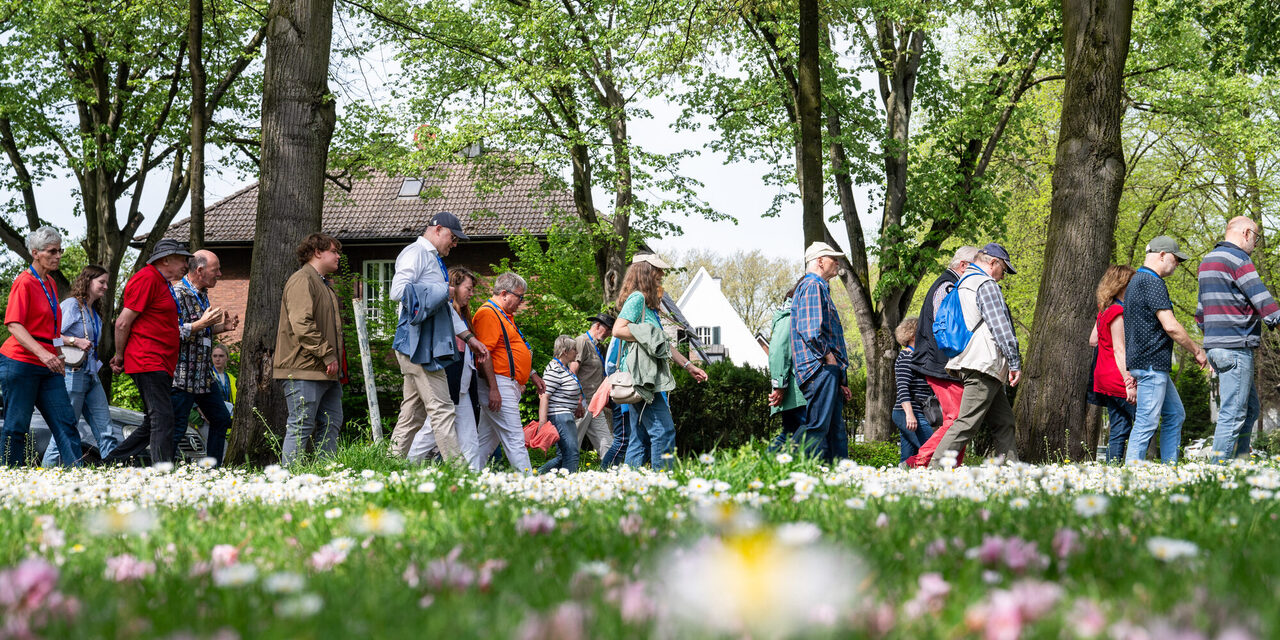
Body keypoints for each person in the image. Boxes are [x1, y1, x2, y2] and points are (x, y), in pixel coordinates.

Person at [389, 213, 489, 464]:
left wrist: (468, 338)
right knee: (443, 408)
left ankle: (387, 465)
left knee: (412, 414)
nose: (454, 245)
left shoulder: (431, 259)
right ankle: (458, 475)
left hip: (419, 343)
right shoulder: (415, 253)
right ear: (437, 229)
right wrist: (444, 289)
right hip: (419, 344)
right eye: (452, 238)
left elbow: (442, 308)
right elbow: (398, 291)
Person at [929, 243, 1022, 468]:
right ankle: (934, 470)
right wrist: (1014, 361)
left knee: (1004, 422)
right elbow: (1000, 326)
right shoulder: (985, 283)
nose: (1003, 276)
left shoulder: (962, 283)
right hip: (984, 363)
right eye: (1004, 269)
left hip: (971, 360)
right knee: (967, 422)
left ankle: (1010, 470)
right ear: (993, 262)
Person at [1196, 217, 1280, 462]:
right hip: (1235, 348)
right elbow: (1262, 299)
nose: (1255, 244)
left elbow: (1201, 313)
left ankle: (1240, 462)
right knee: (1233, 414)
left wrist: (1212, 343)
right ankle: (1216, 472)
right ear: (1246, 233)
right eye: (1256, 237)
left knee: (1250, 408)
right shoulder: (1239, 260)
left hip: (1216, 347)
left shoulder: (1207, 261)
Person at [613, 253, 708, 470]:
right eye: (658, 271)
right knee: (663, 431)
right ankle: (663, 483)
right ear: (645, 272)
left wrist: (689, 365)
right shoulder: (637, 299)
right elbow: (618, 330)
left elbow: (663, 343)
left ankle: (629, 486)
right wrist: (645, 332)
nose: (661, 275)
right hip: (642, 377)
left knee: (639, 438)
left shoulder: (649, 307)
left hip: (646, 375)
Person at [104, 238, 192, 465]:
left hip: (159, 361)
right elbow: (123, 322)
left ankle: (111, 462)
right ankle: (162, 471)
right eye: (183, 259)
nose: (186, 264)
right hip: (147, 360)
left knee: (155, 419)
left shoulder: (162, 282)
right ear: (166, 260)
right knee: (162, 417)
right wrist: (120, 355)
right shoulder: (147, 278)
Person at [0, 226, 83, 466]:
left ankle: (78, 476)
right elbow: (14, 325)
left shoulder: (50, 284)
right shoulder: (24, 282)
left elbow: (53, 327)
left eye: (60, 250)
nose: (58, 256)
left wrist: (58, 354)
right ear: (35, 253)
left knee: (66, 422)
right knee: (17, 426)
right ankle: (10, 478)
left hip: (49, 364)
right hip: (20, 363)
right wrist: (44, 355)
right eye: (52, 251)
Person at [1123, 236, 1207, 464]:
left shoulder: (1134, 281)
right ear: (1161, 255)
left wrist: (1131, 367)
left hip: (1147, 364)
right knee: (1146, 422)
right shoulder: (1152, 282)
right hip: (1151, 366)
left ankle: (1169, 468)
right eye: (1176, 258)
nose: (1178, 264)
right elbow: (1170, 326)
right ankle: (1130, 477)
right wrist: (1197, 350)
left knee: (1175, 414)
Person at [274, 233, 347, 465]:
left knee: (332, 422)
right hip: (304, 368)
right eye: (334, 251)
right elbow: (301, 324)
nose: (338, 256)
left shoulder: (323, 283)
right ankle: (290, 480)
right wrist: (327, 353)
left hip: (326, 370)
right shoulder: (302, 280)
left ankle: (326, 474)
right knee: (301, 425)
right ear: (317, 252)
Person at [905, 246, 979, 468]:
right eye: (976, 267)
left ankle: (951, 466)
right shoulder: (947, 286)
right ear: (964, 266)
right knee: (958, 419)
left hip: (942, 363)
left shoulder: (949, 285)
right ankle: (918, 461)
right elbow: (945, 325)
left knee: (960, 420)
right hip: (940, 363)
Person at [408, 267, 485, 470]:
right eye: (468, 288)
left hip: (464, 386)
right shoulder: (445, 313)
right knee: (431, 431)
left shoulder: (464, 317)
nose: (471, 293)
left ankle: (473, 479)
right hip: (450, 381)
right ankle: (404, 467)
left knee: (469, 437)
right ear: (454, 287)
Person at [42, 265, 120, 466]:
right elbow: (52, 338)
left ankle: (114, 476)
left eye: (106, 283)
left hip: (91, 376)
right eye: (101, 282)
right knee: (66, 430)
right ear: (88, 281)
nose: (105, 287)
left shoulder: (94, 311)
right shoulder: (71, 305)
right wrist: (74, 341)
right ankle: (44, 474)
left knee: (106, 431)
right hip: (72, 375)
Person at [168, 250, 239, 464]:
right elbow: (171, 332)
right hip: (182, 376)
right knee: (177, 427)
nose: (219, 274)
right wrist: (202, 324)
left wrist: (220, 328)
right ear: (199, 270)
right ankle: (161, 472)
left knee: (221, 419)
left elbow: (199, 333)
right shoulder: (177, 293)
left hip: (203, 376)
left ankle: (212, 470)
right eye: (215, 270)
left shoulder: (202, 294)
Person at [474, 272, 543, 474]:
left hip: (505, 384)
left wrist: (531, 374)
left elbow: (511, 350)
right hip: (498, 384)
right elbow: (483, 354)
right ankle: (528, 483)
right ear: (504, 293)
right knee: (515, 438)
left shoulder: (504, 315)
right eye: (519, 297)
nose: (521, 302)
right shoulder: (489, 314)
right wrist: (494, 388)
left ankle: (465, 477)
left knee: (486, 441)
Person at [788, 242, 850, 463]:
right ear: (820, 261)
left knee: (835, 432)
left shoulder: (818, 287)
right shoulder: (813, 286)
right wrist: (829, 358)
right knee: (817, 427)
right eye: (834, 258)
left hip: (826, 369)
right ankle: (785, 465)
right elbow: (811, 330)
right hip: (820, 368)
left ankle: (840, 477)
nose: (838, 262)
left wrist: (841, 376)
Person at [1088, 265, 1137, 462]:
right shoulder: (1118, 311)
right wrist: (1129, 381)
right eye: (1132, 283)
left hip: (1103, 376)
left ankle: (1113, 469)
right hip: (1117, 376)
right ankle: (1137, 465)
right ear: (1122, 285)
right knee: (1145, 419)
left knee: (1120, 426)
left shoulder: (1104, 310)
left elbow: (1093, 339)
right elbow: (1119, 350)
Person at [766, 280, 806, 451]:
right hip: (795, 391)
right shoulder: (790, 317)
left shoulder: (793, 316)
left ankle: (764, 466)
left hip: (796, 391)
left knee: (790, 433)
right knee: (809, 430)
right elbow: (779, 351)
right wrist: (779, 386)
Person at [538, 335, 586, 474]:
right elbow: (544, 396)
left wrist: (577, 404)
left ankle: (537, 475)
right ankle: (570, 484)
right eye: (574, 350)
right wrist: (543, 422)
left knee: (564, 455)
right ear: (565, 351)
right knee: (572, 453)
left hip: (566, 414)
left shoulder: (563, 368)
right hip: (560, 415)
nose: (576, 353)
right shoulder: (554, 369)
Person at [892, 317, 937, 463]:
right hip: (907, 412)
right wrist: (910, 415)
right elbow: (903, 388)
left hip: (915, 412)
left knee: (909, 457)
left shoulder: (916, 357)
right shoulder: (906, 357)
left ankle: (901, 480)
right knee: (932, 450)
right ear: (912, 335)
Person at [570, 312, 615, 458]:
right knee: (572, 444)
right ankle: (557, 475)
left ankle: (613, 475)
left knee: (607, 443)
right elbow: (572, 371)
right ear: (597, 325)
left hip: (595, 404)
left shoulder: (598, 346)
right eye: (607, 329)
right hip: (582, 404)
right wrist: (577, 400)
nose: (608, 333)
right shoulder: (582, 341)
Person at [598, 336, 632, 469]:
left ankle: (613, 470)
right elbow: (610, 366)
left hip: (628, 392)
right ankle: (604, 471)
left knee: (627, 439)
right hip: (622, 391)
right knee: (622, 440)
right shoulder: (620, 333)